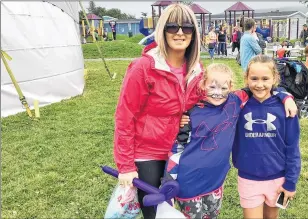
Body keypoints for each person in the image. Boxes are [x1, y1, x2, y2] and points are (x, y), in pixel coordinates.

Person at [163, 63, 297, 219]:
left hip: (215, 183)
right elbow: (177, 149)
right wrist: (168, 180)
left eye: (223, 88)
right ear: (203, 84)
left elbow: (264, 86)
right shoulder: (191, 113)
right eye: (212, 87)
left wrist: (286, 96)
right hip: (189, 184)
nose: (217, 93)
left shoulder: (235, 101)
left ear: (231, 87)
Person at [113, 4, 204, 219]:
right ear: (162, 30)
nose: (180, 32)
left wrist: (281, 96)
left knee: (178, 212)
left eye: (187, 27)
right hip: (148, 155)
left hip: (181, 151)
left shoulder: (198, 71)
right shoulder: (143, 67)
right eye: (172, 26)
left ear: (194, 33)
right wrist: (126, 165)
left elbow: (210, 106)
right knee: (155, 214)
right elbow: (125, 117)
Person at [232, 55, 301, 219]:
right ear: (246, 78)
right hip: (248, 178)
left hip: (278, 178)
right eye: (254, 78)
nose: (260, 84)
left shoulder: (286, 109)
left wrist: (290, 182)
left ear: (275, 78)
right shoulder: (237, 105)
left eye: (265, 78)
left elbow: (293, 148)